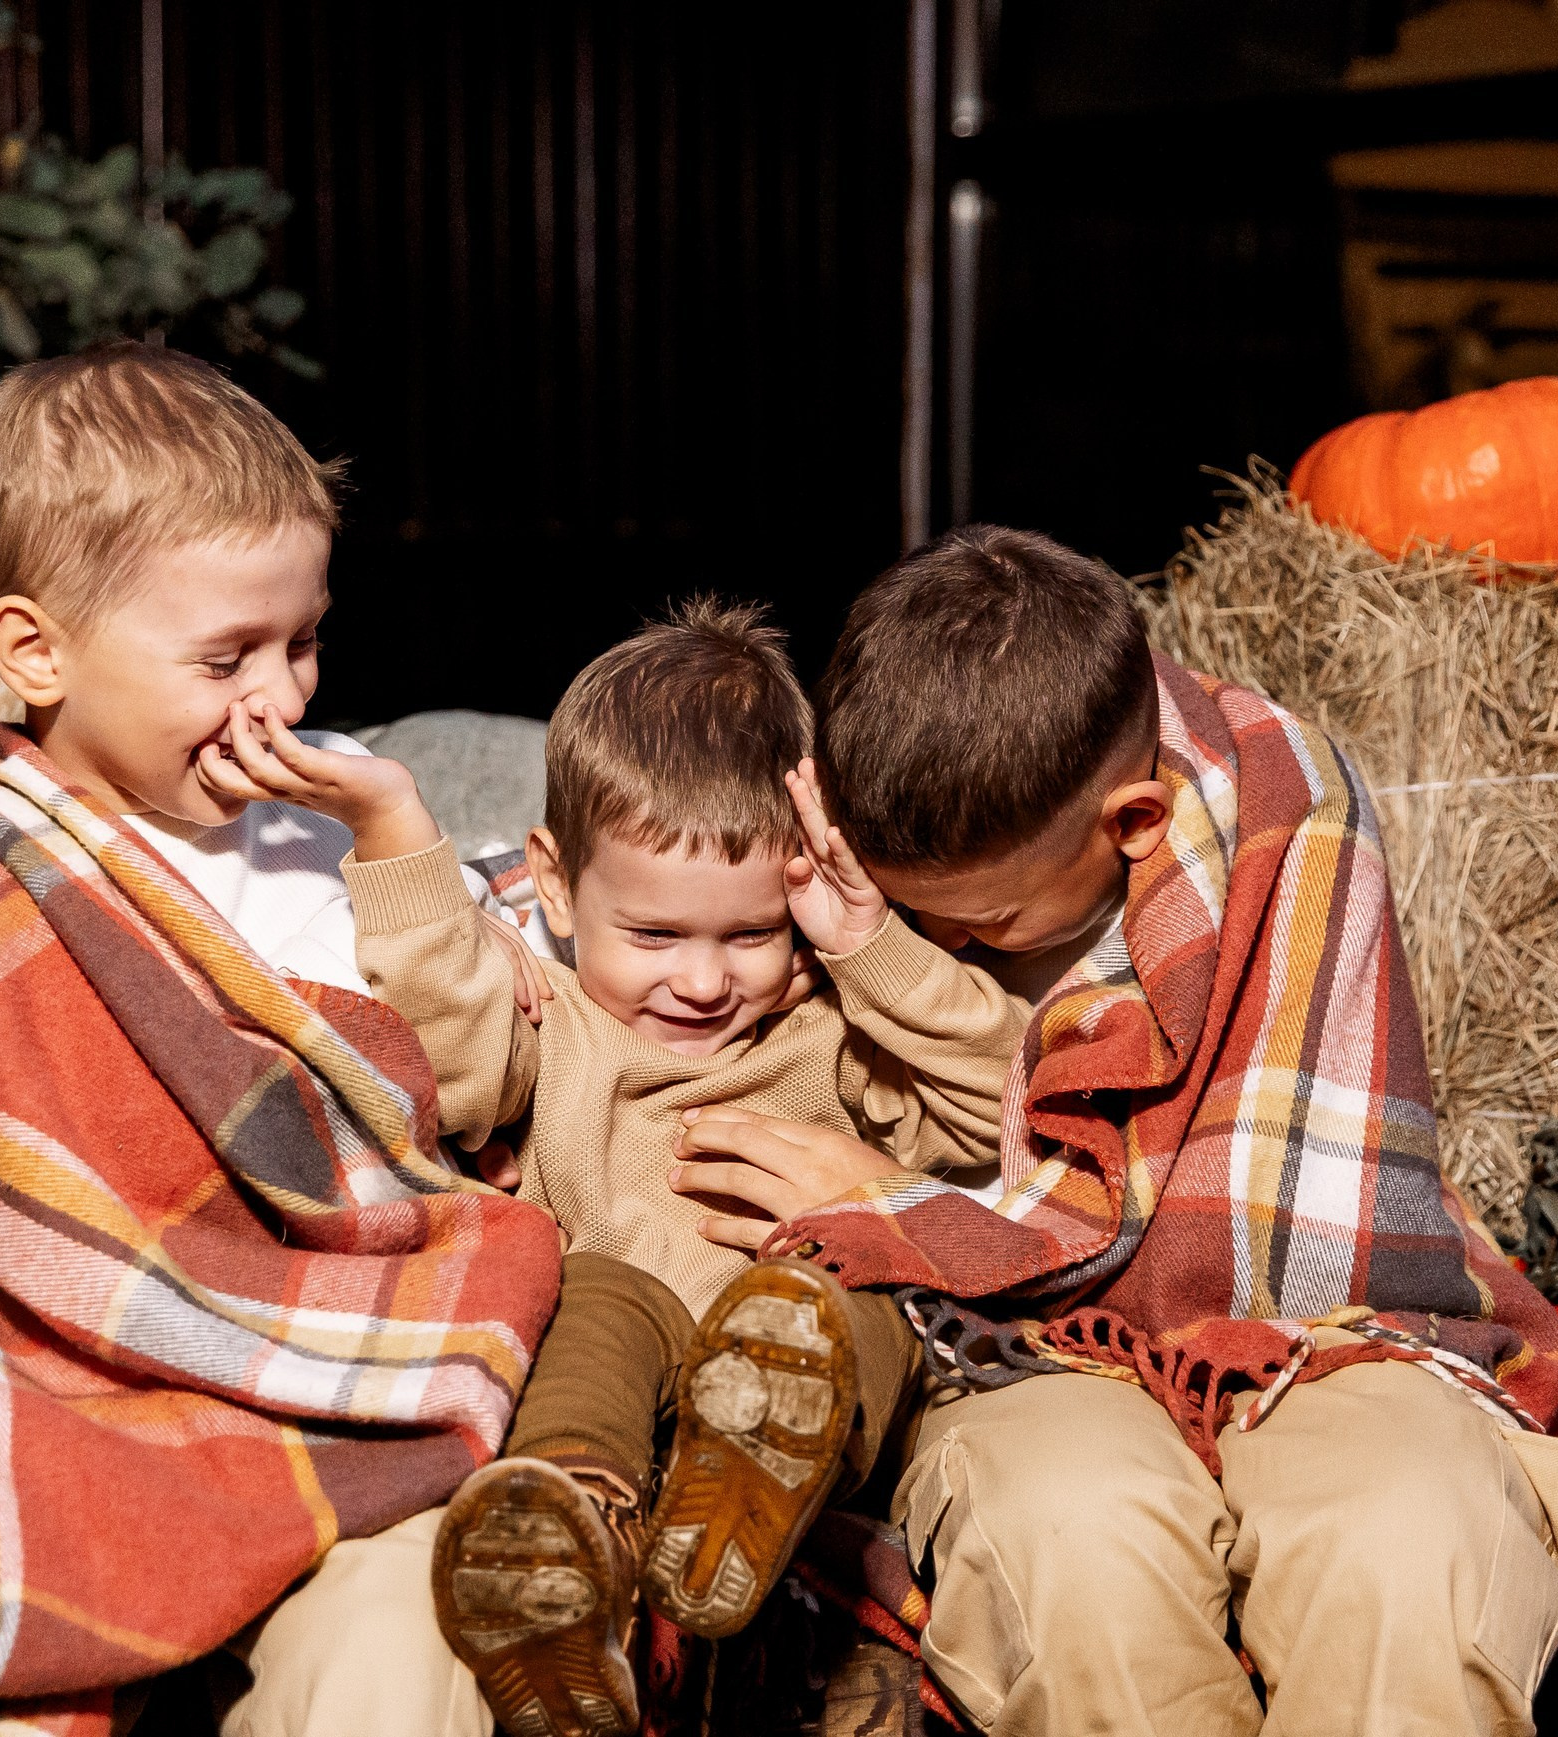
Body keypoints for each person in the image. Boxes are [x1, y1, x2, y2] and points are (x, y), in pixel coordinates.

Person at [668, 526, 1558, 1737]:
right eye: (921, 921)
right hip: (1012, 1352)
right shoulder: (870, 865)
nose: (946, 948)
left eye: (984, 925)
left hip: (1328, 1333)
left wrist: (896, 1202)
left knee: (1407, 1545)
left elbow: (1264, 1225)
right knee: (1075, 1549)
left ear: (1133, 823)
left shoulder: (1283, 821)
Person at [0, 342, 564, 1737]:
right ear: (37, 649)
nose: (278, 695)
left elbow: (444, 1103)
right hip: (86, 1341)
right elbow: (14, 1174)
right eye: (225, 657)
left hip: (327, 1346)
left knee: (394, 1656)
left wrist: (397, 846)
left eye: (303, 639)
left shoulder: (323, 845)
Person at [215, 599, 1028, 1737]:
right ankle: (568, 1543)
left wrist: (866, 948)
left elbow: (1003, 1108)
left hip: (808, 1384)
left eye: (749, 935)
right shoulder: (549, 1026)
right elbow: (441, 1071)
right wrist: (397, 839)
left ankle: (753, 1483)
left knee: (856, 1281)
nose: (702, 981)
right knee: (588, 1288)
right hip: (608, 1384)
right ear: (554, 885)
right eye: (653, 935)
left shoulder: (830, 1037)